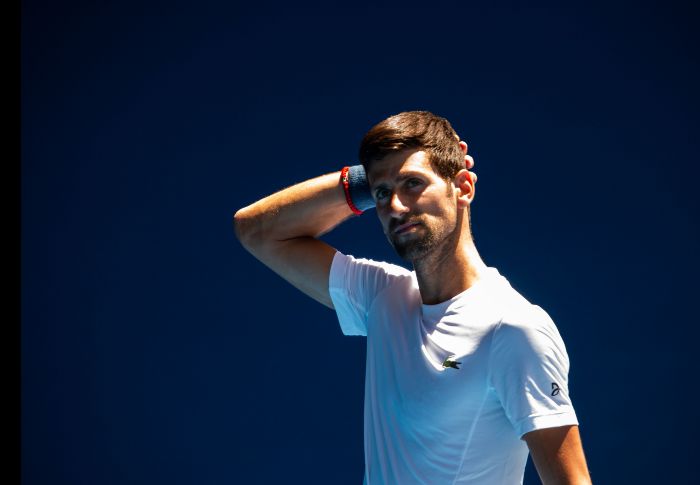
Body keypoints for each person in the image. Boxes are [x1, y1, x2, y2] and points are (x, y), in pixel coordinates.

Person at [233, 111, 592, 484]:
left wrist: (381, 179)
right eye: (383, 194)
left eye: (413, 184)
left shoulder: (513, 328)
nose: (395, 207)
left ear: (463, 188)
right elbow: (256, 229)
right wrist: (365, 180)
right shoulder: (382, 296)